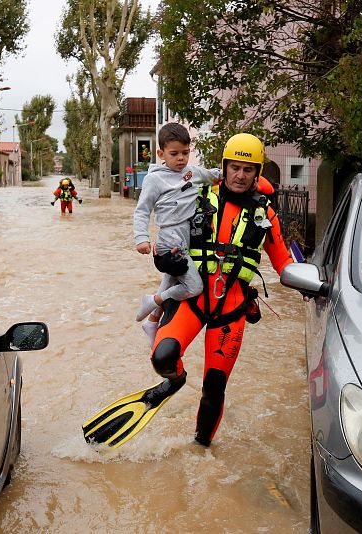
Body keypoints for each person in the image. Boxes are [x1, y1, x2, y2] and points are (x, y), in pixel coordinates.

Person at [83, 133, 292, 449]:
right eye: (234, 167)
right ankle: (175, 381)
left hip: (231, 310)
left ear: (257, 173)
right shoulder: (198, 193)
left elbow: (284, 264)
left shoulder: (266, 216)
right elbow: (159, 205)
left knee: (214, 388)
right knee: (162, 357)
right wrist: (155, 246)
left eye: (248, 170)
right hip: (191, 298)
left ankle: (201, 449)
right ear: (224, 167)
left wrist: (310, 286)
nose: (240, 175)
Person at [132, 123, 221, 346]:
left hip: (186, 237)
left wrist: (227, 171)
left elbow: (212, 176)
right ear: (161, 154)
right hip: (169, 239)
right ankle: (153, 300)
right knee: (193, 287)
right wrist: (141, 238)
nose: (181, 158)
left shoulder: (191, 172)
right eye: (174, 154)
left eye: (185, 153)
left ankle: (152, 321)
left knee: (171, 280)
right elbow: (142, 210)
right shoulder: (154, 179)